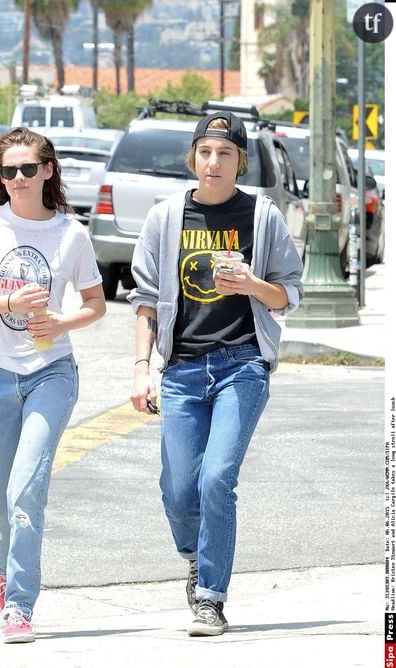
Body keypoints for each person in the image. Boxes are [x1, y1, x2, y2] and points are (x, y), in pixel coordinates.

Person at [129, 111, 303, 637]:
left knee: (216, 479)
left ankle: (210, 597)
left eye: (225, 154)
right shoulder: (165, 218)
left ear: (240, 161)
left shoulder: (262, 216)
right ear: (194, 158)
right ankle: (196, 555)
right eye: (206, 152)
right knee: (179, 490)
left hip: (241, 366)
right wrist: (142, 369)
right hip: (181, 370)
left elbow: (289, 293)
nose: (214, 162)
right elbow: (143, 301)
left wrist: (252, 284)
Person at [0, 127, 106, 644]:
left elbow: (95, 305)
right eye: (7, 171)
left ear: (48, 172)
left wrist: (61, 323)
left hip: (51, 373)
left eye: (27, 169)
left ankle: (19, 605)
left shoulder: (71, 234)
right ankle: (3, 571)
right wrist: (9, 305)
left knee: (24, 490)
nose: (17, 179)